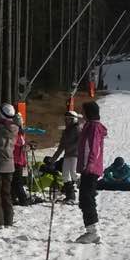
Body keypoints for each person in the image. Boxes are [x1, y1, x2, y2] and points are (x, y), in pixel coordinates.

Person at [75, 101, 108, 244]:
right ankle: (91, 230)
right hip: (88, 168)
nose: (82, 113)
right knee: (85, 198)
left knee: (86, 198)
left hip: (91, 168)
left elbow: (94, 148)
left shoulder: (94, 127)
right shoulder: (89, 126)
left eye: (83, 111)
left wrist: (90, 164)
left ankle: (93, 231)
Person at [51, 111, 82, 203]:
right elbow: (61, 146)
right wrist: (54, 158)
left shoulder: (77, 129)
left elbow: (80, 142)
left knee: (74, 173)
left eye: (69, 119)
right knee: (65, 176)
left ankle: (83, 183)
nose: (66, 121)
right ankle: (70, 196)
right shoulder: (66, 131)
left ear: (74, 120)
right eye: (66, 119)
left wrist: (71, 147)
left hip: (75, 155)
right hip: (67, 155)